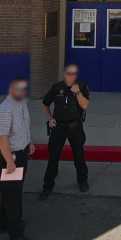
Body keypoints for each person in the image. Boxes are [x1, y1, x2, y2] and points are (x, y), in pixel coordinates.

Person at [0, 77, 34, 240]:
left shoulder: (21, 104)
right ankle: (16, 235)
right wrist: (9, 162)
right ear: (11, 90)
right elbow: (2, 138)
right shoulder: (4, 110)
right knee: (13, 197)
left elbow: (25, 126)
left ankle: (6, 224)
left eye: (24, 89)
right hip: (10, 158)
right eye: (19, 89)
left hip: (21, 154)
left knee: (9, 193)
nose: (22, 92)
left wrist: (30, 142)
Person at [40, 63, 90, 199]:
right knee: (53, 157)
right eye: (69, 73)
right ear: (64, 74)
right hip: (59, 127)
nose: (71, 76)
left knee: (79, 156)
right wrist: (50, 118)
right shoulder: (57, 88)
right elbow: (45, 104)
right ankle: (47, 186)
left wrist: (77, 92)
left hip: (75, 127)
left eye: (74, 74)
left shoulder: (82, 86)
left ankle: (83, 181)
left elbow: (85, 105)